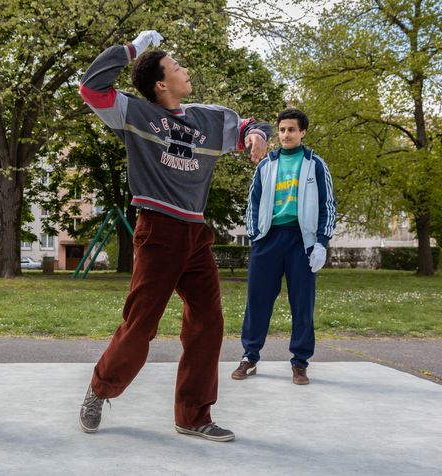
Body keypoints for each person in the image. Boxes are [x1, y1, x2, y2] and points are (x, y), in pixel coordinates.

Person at [77, 30, 271, 442]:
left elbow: (249, 124)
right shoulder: (134, 114)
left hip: (196, 233)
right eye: (178, 67)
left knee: (208, 322)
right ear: (161, 84)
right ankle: (99, 390)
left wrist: (256, 135)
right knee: (140, 325)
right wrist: (133, 49)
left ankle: (193, 415)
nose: (186, 71)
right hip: (158, 230)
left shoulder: (207, 117)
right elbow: (91, 87)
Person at [232, 108, 336, 385]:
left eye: (292, 129)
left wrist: (322, 243)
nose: (286, 134)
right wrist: (255, 237)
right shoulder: (266, 165)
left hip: (302, 242)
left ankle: (300, 362)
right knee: (257, 300)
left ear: (303, 132)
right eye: (282, 130)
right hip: (268, 239)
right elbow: (252, 204)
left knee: (302, 303)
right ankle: (249, 356)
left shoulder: (315, 164)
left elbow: (327, 206)